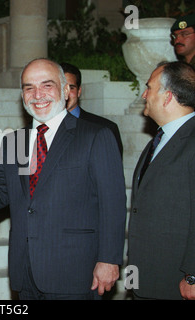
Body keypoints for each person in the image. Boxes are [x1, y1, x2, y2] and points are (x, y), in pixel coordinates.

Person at [0, 58, 127, 300]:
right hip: (25, 272)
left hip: (76, 272)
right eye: (28, 87)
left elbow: (113, 203)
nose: (37, 95)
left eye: (47, 85)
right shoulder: (14, 141)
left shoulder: (96, 136)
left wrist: (109, 259)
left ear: (66, 90)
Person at [127, 61, 195, 300]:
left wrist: (193, 275)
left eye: (149, 88)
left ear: (167, 97)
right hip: (146, 278)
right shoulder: (159, 139)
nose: (144, 94)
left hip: (175, 283)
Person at [59, 62, 123, 157]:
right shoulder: (36, 129)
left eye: (71, 88)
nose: (65, 93)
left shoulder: (105, 129)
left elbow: (111, 170)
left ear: (79, 91)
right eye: (60, 88)